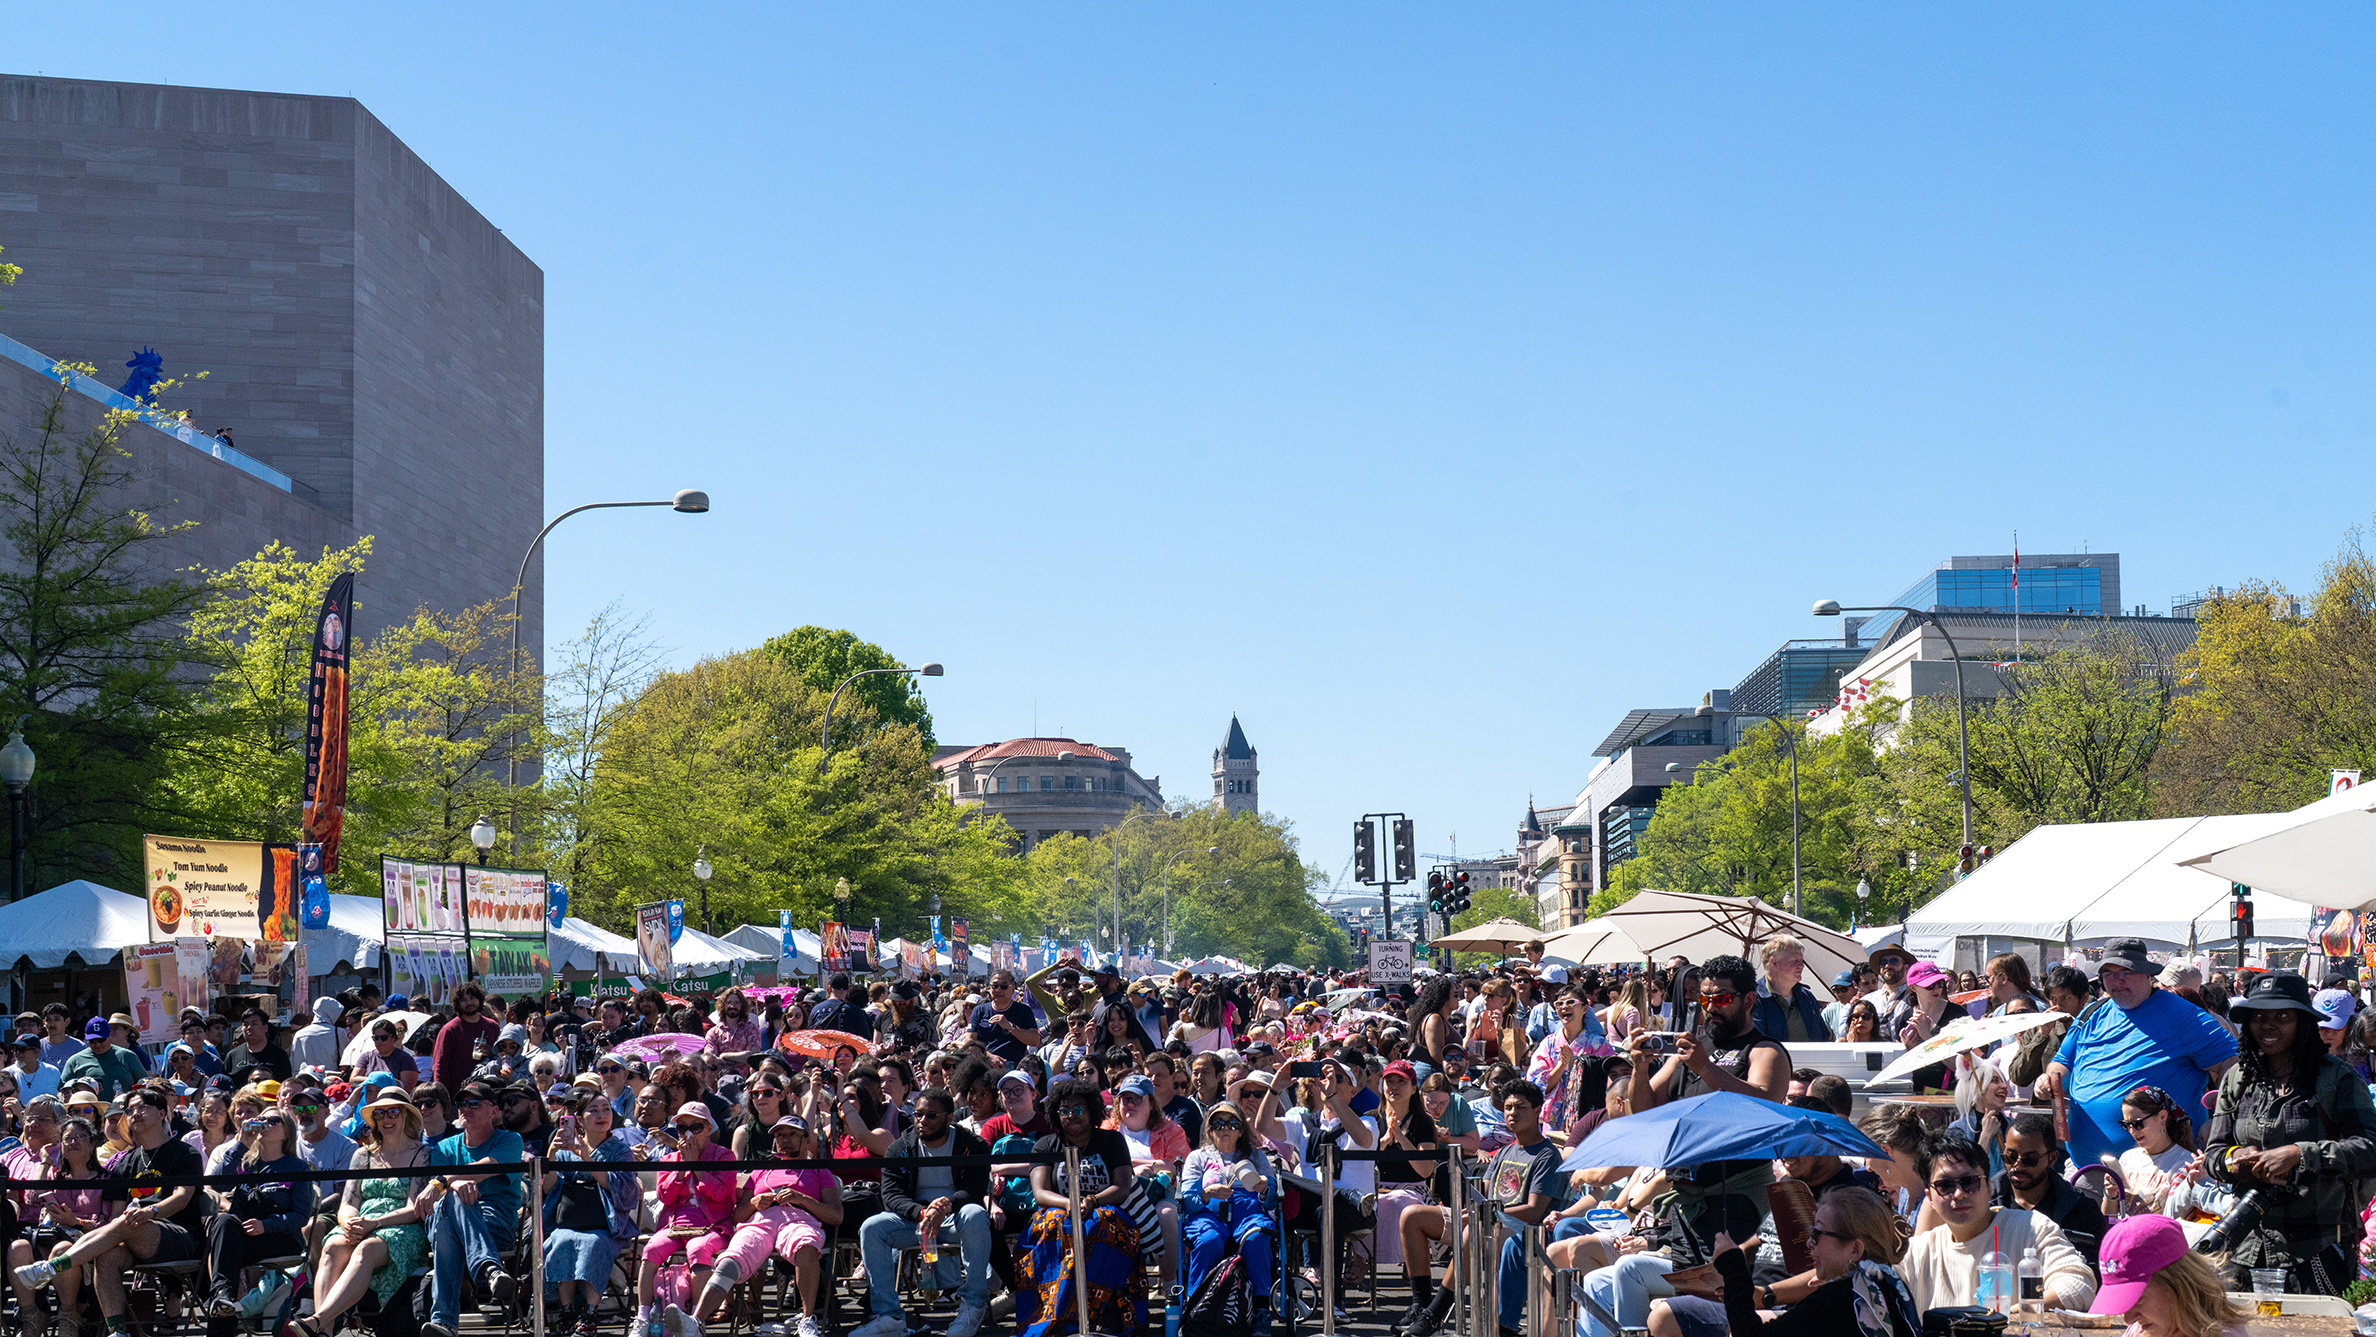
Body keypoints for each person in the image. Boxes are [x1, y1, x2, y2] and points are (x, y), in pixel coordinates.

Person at [2200, 970, 2376, 1291]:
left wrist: (2301, 1154)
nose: (2268, 1025)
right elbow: (2213, 1156)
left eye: (2282, 1016)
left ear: (2303, 1022)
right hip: (2245, 1245)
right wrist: (2234, 1158)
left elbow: (2369, 1150)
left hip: (2316, 1248)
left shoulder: (2337, 1079)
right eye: (2258, 1016)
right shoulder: (2238, 1077)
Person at [1626, 954, 1792, 1250]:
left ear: (1749, 1000)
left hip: (1735, 1201)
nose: (1711, 1008)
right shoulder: (1690, 1051)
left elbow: (1765, 1106)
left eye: (1723, 999)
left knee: (1722, 1291)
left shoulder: (1764, 1050)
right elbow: (1642, 1111)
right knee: (1685, 1287)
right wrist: (1638, 1067)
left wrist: (1705, 1068)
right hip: (1687, 1200)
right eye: (1704, 1000)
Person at [13, 1087, 208, 1333]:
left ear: (162, 1114)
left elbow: (182, 1197)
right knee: (106, 1255)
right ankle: (117, 1330)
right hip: (130, 1235)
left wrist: (151, 1212)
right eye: (130, 1110)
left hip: (177, 1234)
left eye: (142, 1108)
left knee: (128, 1222)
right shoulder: (126, 1161)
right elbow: (116, 1216)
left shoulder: (184, 1152)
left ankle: (54, 1266)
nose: (134, 1113)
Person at [2034, 938, 2237, 1169]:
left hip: (2162, 1173)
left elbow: (2232, 1065)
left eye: (2126, 972)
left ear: (2148, 975)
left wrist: (2220, 1119)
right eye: (2109, 974)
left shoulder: (2183, 1015)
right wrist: (2048, 1078)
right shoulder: (2092, 1012)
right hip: (2086, 1168)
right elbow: (2061, 1062)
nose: (2117, 981)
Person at [1898, 1133, 2095, 1312]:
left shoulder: (2032, 1229)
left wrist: (2009, 1317)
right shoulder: (1916, 1253)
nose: (1959, 1194)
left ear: (1989, 1188)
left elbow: (2078, 1286)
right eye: (1945, 1185)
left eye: (1969, 1182)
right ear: (1929, 1198)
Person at [855, 1088, 994, 1337]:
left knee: (975, 1214)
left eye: (931, 1115)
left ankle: (973, 1304)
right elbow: (891, 1196)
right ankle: (889, 1315)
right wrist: (923, 1212)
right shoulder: (899, 1148)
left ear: (949, 1117)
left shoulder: (972, 1145)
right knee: (872, 1227)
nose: (922, 1121)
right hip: (915, 1220)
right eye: (918, 1114)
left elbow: (974, 1190)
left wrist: (945, 1206)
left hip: (955, 1217)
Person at [1699, 1186, 1921, 1337]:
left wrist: (1733, 1267)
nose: (1808, 1243)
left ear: (1855, 1249)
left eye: (1817, 1235)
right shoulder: (1891, 1288)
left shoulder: (1834, 1302)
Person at [300, 1089, 432, 1337]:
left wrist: (374, 1223)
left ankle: (319, 1319)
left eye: (393, 1111)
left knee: (366, 1249)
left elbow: (414, 1208)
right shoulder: (363, 1154)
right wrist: (349, 1222)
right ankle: (325, 1331)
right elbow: (349, 1201)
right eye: (379, 1113)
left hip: (401, 1227)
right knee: (332, 1246)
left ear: (406, 1116)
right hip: (361, 1223)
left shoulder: (421, 1154)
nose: (386, 1118)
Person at [1019, 1078, 1145, 1337]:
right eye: (1064, 1111)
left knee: (1101, 1223)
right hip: (1059, 1209)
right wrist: (1070, 1203)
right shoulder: (1045, 1145)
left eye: (1078, 1109)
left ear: (1091, 1111)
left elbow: (1122, 1187)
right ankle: (1060, 1314)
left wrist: (1093, 1201)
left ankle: (1105, 1312)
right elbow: (1040, 1193)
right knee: (1059, 1224)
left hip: (1104, 1207)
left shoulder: (1111, 1141)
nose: (1070, 1116)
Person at [696, 1116, 840, 1337]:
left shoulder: (819, 1170)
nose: (785, 1139)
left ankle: (807, 1319)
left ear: (805, 1139)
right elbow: (737, 1216)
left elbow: (836, 1216)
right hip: (760, 1222)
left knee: (806, 1244)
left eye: (791, 1134)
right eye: (780, 1134)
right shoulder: (762, 1171)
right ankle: (695, 1322)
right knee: (732, 1257)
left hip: (798, 1219)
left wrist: (803, 1199)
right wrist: (754, 1203)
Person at [422, 1080, 526, 1337]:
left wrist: (446, 1182)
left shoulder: (511, 1140)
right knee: (451, 1203)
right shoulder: (445, 1147)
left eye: (474, 1103)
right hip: (450, 1222)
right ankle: (489, 1269)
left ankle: (444, 1323)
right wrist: (456, 1186)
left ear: (494, 1110)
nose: (465, 1109)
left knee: (448, 1220)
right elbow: (443, 1192)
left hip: (494, 1222)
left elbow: (486, 1167)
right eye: (462, 1104)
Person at [542, 1095, 644, 1337]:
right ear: (579, 1119)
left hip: (606, 1223)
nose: (601, 1115)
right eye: (593, 1110)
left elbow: (623, 1189)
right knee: (559, 1240)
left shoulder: (620, 1151)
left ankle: (589, 1313)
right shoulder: (565, 1149)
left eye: (606, 1109)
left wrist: (587, 1158)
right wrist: (552, 1157)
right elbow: (549, 1189)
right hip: (571, 1219)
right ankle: (567, 1311)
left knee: (592, 1243)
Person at [636, 1103, 736, 1337]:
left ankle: (695, 1321)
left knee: (699, 1249)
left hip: (712, 1225)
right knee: (651, 1250)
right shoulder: (670, 1159)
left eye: (696, 1127)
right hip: (675, 1224)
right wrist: (682, 1167)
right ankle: (641, 1317)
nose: (688, 1133)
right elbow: (665, 1196)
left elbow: (721, 1193)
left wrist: (697, 1168)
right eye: (682, 1128)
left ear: (709, 1128)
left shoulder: (724, 1156)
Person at [201, 1109, 310, 1317]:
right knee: (223, 1222)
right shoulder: (245, 1163)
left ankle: (222, 1303)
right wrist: (241, 1142)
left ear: (286, 1132)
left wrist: (266, 1225)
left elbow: (301, 1215)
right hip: (244, 1236)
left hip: (280, 1239)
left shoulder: (296, 1167)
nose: (264, 1123)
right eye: (261, 1120)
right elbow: (215, 1183)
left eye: (273, 1121)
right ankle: (224, 1298)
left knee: (224, 1254)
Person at [1180, 1100, 1277, 1331]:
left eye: (1233, 1123)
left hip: (1248, 1213)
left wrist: (1264, 1189)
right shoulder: (1197, 1158)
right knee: (1208, 1241)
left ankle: (1261, 1313)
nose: (1225, 1128)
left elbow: (1273, 1200)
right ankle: (1194, 1310)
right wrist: (1206, 1193)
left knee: (1257, 1240)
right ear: (1209, 1128)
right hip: (1208, 1214)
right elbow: (1189, 1202)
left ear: (1241, 1130)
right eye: (1218, 1123)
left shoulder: (1256, 1157)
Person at [8, 1110, 106, 1337]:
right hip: (51, 1236)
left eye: (80, 1137)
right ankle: (32, 1316)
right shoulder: (55, 1175)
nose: (72, 1142)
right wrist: (43, 1162)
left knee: (62, 1249)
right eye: (67, 1139)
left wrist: (77, 1222)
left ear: (92, 1144)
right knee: (18, 1248)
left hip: (88, 1241)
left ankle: (69, 1315)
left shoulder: (106, 1178)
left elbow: (109, 1226)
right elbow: (37, 1192)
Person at [2086, 1213, 2250, 1337]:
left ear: (2180, 1285)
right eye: (2123, 1302)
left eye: (2138, 1299)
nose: (2129, 1319)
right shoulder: (2141, 1330)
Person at [1994, 1112, 2109, 1270]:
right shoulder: (1986, 1200)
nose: (2017, 1166)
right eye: (2011, 1157)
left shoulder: (2081, 1210)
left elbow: (2094, 1273)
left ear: (2053, 1158)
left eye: (2030, 1160)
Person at [2112, 1086, 2198, 1217]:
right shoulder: (2127, 1158)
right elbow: (2109, 1218)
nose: (2132, 1131)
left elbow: (2173, 1218)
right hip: (2124, 1234)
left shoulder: (2185, 1163)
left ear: (2162, 1116)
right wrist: (2110, 1193)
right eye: (2126, 1124)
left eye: (2137, 1123)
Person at [1751, 934, 1833, 1043]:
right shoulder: (1753, 999)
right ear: (1774, 962)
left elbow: (1824, 1038)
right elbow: (1755, 1044)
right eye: (1794, 960)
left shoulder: (1807, 997)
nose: (1801, 965)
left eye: (1801, 960)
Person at [429, 985, 501, 1095]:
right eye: (464, 1000)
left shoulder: (492, 1026)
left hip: (489, 1095)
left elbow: (502, 1056)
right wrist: (443, 1099)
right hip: (459, 1096)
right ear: (457, 1004)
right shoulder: (449, 1030)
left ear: (480, 999)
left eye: (472, 998)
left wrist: (491, 1053)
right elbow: (440, 1067)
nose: (469, 1003)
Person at [967, 972, 1041, 1066]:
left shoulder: (1023, 1011)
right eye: (995, 986)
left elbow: (1034, 1040)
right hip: (985, 1066)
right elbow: (969, 1042)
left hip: (1014, 1068)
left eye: (1004, 986)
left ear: (1013, 988)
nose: (998, 990)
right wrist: (989, 1056)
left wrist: (1011, 1027)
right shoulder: (979, 1010)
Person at [56, 1020, 143, 1101]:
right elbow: (62, 1090)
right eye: (92, 1041)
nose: (97, 1044)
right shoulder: (75, 1060)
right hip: (87, 1111)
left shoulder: (127, 1056)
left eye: (101, 1040)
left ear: (109, 1035)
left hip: (121, 1111)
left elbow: (142, 1083)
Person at [224, 1007, 292, 1082]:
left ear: (265, 1028)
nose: (249, 1028)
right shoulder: (232, 1056)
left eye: (254, 1024)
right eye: (245, 1024)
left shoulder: (279, 1055)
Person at [289, 998, 344, 1073]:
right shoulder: (338, 1032)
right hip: (331, 1079)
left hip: (305, 1079)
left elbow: (294, 1062)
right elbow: (346, 1060)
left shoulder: (300, 1034)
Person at [8, 1035, 58, 1102]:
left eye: (22, 1050)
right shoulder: (7, 1074)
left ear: (36, 1052)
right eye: (15, 1050)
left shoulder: (52, 1072)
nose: (17, 1053)